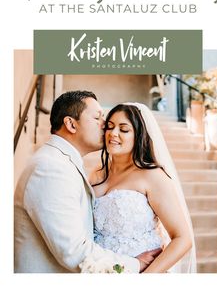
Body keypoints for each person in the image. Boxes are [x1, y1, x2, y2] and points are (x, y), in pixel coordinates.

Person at [14, 91, 160, 273]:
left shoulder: (63, 163)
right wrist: (134, 264)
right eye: (98, 118)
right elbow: (73, 251)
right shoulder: (51, 169)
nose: (105, 125)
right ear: (71, 124)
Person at [90, 103, 197, 273]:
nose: (113, 133)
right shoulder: (96, 174)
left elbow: (183, 239)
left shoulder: (152, 176)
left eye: (124, 129)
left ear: (138, 135)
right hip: (101, 270)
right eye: (110, 127)